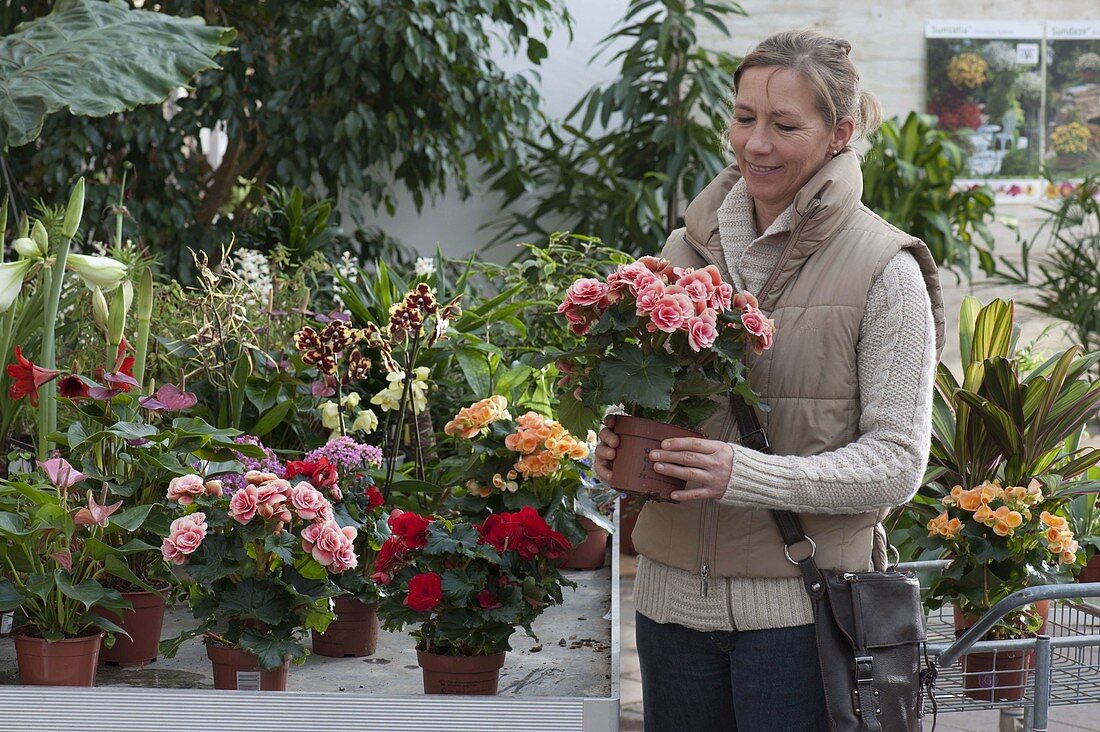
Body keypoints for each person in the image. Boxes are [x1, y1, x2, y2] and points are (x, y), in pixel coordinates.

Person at [593, 29, 945, 731]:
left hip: (800, 621)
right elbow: (659, 403)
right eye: (745, 118)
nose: (756, 143)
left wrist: (742, 475)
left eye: (784, 125)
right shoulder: (683, 249)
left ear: (838, 134)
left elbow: (898, 464)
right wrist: (614, 450)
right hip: (667, 610)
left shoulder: (885, 271)